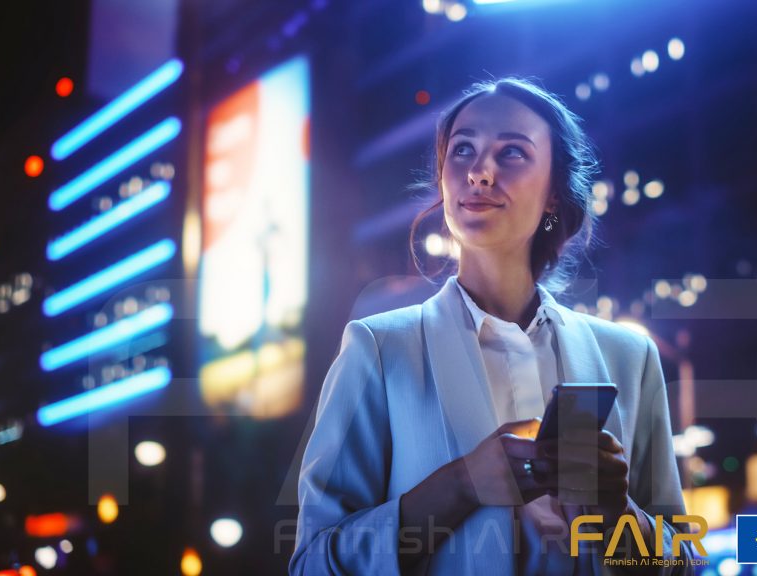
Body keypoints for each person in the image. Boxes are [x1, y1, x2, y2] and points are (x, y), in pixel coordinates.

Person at [289, 78, 695, 575]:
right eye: (463, 150)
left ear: (553, 193)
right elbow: (312, 563)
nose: (479, 171)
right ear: (442, 180)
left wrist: (616, 512)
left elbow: (681, 565)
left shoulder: (629, 357)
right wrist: (460, 484)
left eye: (513, 154)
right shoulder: (378, 348)